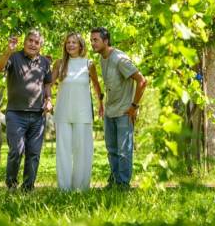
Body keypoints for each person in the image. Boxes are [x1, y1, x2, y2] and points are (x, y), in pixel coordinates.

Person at [0, 30, 53, 191]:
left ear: (41, 46)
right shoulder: (14, 57)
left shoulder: (45, 63)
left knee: (33, 153)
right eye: (30, 40)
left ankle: (28, 188)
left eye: (36, 42)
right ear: (24, 42)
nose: (33, 44)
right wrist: (8, 51)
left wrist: (48, 100)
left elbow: (47, 85)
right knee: (17, 151)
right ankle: (11, 186)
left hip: (38, 115)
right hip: (15, 114)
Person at [90, 27, 147, 189]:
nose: (92, 43)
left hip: (124, 111)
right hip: (110, 111)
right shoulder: (103, 58)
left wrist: (134, 106)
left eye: (96, 40)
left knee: (124, 151)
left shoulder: (120, 59)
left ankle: (123, 185)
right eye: (91, 40)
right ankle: (115, 181)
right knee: (112, 150)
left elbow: (142, 81)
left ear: (106, 41)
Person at [52, 32, 103, 191]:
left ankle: (80, 187)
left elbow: (96, 86)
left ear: (81, 45)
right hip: (62, 112)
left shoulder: (89, 64)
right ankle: (64, 188)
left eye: (74, 42)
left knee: (82, 151)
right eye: (68, 42)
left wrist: (101, 104)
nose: (70, 45)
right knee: (63, 151)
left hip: (83, 112)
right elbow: (49, 83)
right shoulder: (59, 64)